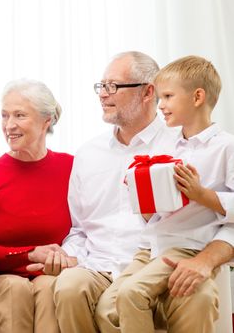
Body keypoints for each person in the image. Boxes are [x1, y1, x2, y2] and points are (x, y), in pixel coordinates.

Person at [97, 55, 234, 333]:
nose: (161, 106)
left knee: (131, 295)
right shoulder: (168, 144)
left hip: (187, 246)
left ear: (197, 97)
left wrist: (200, 193)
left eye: (168, 97)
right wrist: (143, 192)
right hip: (154, 245)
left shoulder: (225, 146)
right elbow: (157, 212)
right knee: (108, 310)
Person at [49, 51, 180, 333]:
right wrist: (71, 255)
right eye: (101, 86)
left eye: (113, 86)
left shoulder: (178, 145)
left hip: (151, 265)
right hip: (97, 265)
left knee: (118, 305)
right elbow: (79, 228)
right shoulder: (87, 154)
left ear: (147, 92)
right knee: (69, 287)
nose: (103, 94)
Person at [0, 79, 73, 333]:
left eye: (20, 115)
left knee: (49, 286)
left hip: (52, 274)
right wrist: (30, 254)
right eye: (5, 115)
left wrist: (65, 260)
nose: (9, 125)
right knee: (14, 288)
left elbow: (90, 229)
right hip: (4, 277)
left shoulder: (71, 168)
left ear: (46, 121)